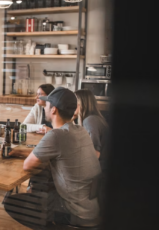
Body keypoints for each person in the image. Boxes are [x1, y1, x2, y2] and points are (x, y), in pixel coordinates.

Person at [9, 87, 101, 227]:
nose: (44, 106)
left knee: (11, 203)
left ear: (54, 109)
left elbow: (28, 165)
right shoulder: (79, 130)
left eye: (47, 104)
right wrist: (18, 153)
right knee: (42, 185)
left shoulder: (56, 135)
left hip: (74, 212)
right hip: (90, 208)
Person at [75, 89, 109, 171]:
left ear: (81, 104)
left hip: (100, 170)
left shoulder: (90, 120)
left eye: (73, 102)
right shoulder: (93, 118)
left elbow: (94, 154)